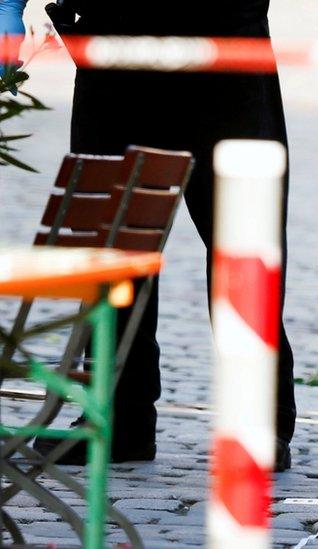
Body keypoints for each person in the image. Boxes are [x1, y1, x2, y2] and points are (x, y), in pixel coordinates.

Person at [12, 0, 296, 470]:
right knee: (114, 241)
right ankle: (119, 419)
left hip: (221, 44)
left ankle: (259, 422)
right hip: (115, 43)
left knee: (243, 239)